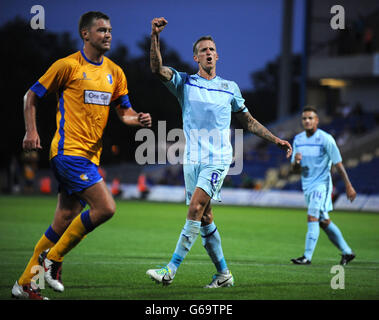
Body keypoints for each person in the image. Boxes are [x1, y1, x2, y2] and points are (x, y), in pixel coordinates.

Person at [12, 11, 152, 300]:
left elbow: (123, 112)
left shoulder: (116, 72)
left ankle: (26, 284)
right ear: (85, 34)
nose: (108, 34)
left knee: (63, 220)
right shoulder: (68, 66)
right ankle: (53, 260)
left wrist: (137, 118)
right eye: (101, 30)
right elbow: (31, 95)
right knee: (106, 208)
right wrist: (31, 131)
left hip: (90, 158)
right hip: (68, 153)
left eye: (110, 30)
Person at [146, 17, 292, 288]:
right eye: (203, 50)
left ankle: (170, 269)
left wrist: (275, 139)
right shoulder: (185, 83)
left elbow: (248, 122)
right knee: (205, 218)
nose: (208, 52)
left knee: (195, 208)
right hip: (192, 161)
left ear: (218, 55)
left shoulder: (230, 88)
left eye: (212, 49)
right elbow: (157, 69)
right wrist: (155, 37)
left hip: (218, 159)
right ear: (195, 57)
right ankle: (224, 274)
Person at [290, 106, 356, 266]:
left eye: (310, 118)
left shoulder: (326, 139)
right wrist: (297, 161)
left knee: (312, 216)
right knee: (323, 221)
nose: (307, 121)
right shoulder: (298, 139)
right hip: (307, 185)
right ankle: (347, 252)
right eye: (304, 118)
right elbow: (294, 169)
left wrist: (348, 185)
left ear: (317, 120)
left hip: (322, 185)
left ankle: (306, 257)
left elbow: (338, 164)